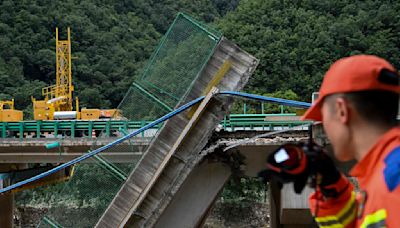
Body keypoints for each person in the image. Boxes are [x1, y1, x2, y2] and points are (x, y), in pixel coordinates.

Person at [262, 55, 400, 227]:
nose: (324, 127)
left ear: (342, 111)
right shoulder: (382, 176)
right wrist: (331, 185)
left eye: (322, 118)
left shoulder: (393, 177)